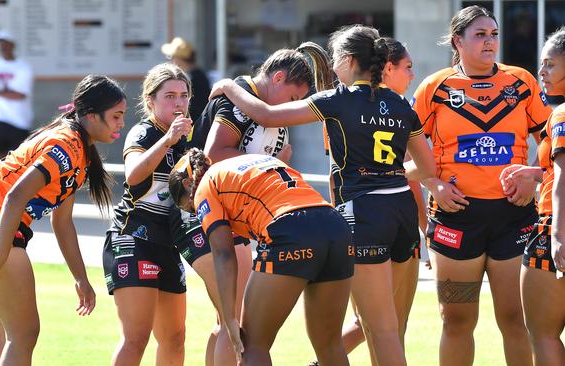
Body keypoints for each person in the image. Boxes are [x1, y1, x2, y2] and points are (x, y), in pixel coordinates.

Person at [209, 24, 436, 365]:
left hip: (363, 214)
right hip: (402, 209)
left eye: (334, 59)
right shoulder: (401, 103)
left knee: (380, 329)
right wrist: (387, 175)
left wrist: (229, 85)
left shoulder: (336, 100)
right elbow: (429, 169)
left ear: (347, 60)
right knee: (392, 329)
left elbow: (266, 114)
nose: (331, 66)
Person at [411, 5, 553, 366]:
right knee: (456, 320)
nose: (490, 42)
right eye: (480, 35)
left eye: (494, 34)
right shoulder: (434, 88)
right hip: (455, 220)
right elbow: (402, 155)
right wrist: (434, 183)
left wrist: (533, 176)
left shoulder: (521, 81)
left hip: (514, 218)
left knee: (516, 319)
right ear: (457, 41)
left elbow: (553, 145)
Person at [178, 41, 333, 366]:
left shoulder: (260, 104)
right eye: (293, 98)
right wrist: (271, 161)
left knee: (227, 318)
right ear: (277, 79)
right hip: (207, 208)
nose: (292, 107)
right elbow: (214, 154)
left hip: (235, 213)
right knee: (235, 319)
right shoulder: (241, 100)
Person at [0, 74, 125, 365]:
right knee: (24, 334)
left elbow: (63, 222)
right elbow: (15, 197)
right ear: (92, 116)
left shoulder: (78, 151)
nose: (121, 123)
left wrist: (81, 279)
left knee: (6, 334)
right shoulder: (67, 144)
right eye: (116, 116)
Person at [169, 149, 354, 365]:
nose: (197, 214)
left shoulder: (203, 186)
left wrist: (229, 319)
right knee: (330, 347)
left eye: (191, 209)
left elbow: (223, 254)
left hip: (290, 229)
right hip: (336, 227)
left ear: (186, 185)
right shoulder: (245, 164)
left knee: (252, 345)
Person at [336, 37, 426, 361]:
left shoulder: (347, 105)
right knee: (381, 327)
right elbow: (422, 169)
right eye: (407, 68)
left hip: (371, 215)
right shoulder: (385, 107)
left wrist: (425, 223)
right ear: (386, 68)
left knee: (385, 328)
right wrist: (392, 174)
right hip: (379, 215)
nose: (412, 75)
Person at [104, 63, 191, 366]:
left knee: (175, 337)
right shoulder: (144, 131)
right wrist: (167, 140)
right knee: (136, 337)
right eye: (169, 96)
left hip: (168, 243)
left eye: (183, 96)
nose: (178, 103)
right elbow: (133, 176)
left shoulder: (187, 141)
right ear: (150, 101)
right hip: (133, 239)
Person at [499, 26, 565, 366]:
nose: (542, 72)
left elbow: (564, 177)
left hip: (556, 227)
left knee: (542, 333)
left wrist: (557, 235)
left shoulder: (561, 114)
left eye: (550, 64)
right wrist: (538, 173)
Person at [0, 30, 34, 159]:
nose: (3, 47)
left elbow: (19, 95)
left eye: (6, 43)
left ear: (13, 45)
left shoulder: (23, 67)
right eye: (1, 44)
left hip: (19, 121)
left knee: (18, 161)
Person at [162, 37, 211, 121]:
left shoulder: (191, 79)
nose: (170, 60)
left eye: (171, 56)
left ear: (180, 59)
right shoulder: (198, 75)